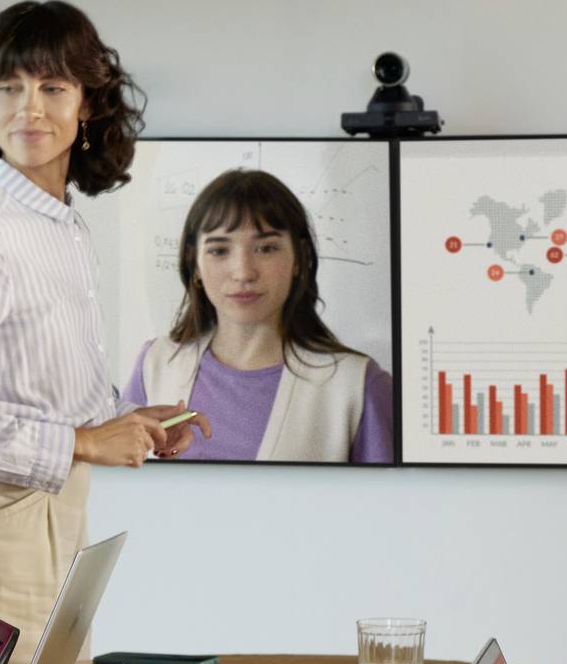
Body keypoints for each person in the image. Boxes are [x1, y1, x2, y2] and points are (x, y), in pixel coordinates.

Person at [0, 0, 195, 648]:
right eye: (9, 87)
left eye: (52, 86)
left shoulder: (62, 225)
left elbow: (43, 388)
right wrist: (84, 442)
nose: (29, 106)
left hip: (56, 514)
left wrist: (133, 418)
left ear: (87, 104)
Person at [124, 167, 394, 463]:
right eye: (219, 250)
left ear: (299, 258)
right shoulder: (156, 365)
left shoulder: (356, 385)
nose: (243, 272)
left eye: (266, 248)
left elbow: (386, 505)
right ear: (194, 262)